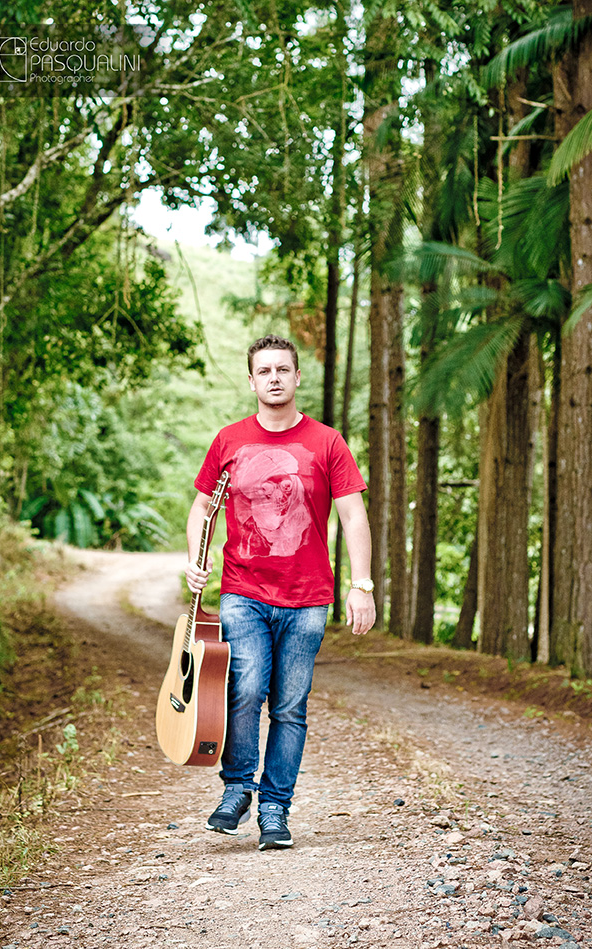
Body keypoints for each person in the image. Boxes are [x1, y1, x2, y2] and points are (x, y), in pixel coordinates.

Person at [185, 334, 375, 851]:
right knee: (243, 690)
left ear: (296, 378)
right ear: (252, 380)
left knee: (290, 707)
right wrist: (195, 562)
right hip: (242, 589)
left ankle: (275, 808)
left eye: (282, 369)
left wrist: (363, 585)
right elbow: (202, 508)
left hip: (309, 597)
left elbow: (353, 514)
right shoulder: (228, 441)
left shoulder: (327, 443)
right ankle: (237, 789)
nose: (273, 377)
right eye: (264, 370)